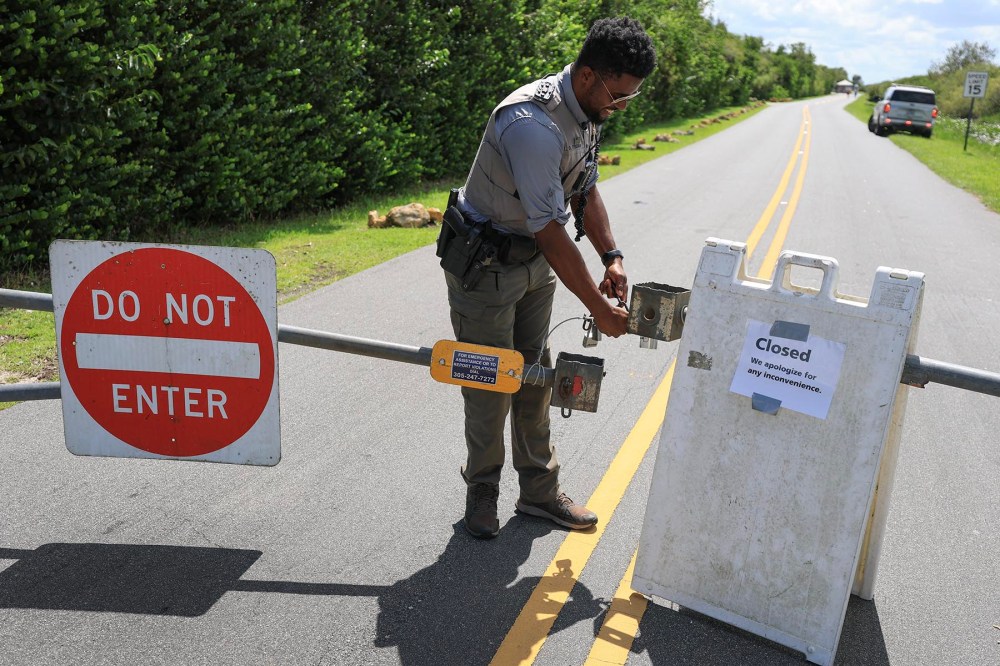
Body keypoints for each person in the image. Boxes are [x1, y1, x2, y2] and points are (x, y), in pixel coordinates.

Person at [437, 16, 656, 538]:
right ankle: (482, 488)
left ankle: (538, 491)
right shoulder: (531, 124)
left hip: (533, 263)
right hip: (486, 266)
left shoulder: (585, 112)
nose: (621, 106)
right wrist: (599, 310)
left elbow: (584, 188)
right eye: (619, 95)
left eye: (630, 98)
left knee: (534, 375)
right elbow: (553, 230)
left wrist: (612, 257)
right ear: (589, 76)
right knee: (489, 380)